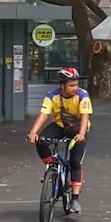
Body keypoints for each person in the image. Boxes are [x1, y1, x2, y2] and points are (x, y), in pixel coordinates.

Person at [26, 66, 91, 214]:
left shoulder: (83, 95)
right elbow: (43, 115)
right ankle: (51, 166)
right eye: (71, 85)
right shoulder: (52, 96)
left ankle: (75, 198)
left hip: (78, 129)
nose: (75, 88)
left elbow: (85, 116)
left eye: (76, 85)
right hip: (60, 125)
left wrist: (81, 134)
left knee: (75, 162)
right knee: (41, 141)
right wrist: (33, 132)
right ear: (62, 85)